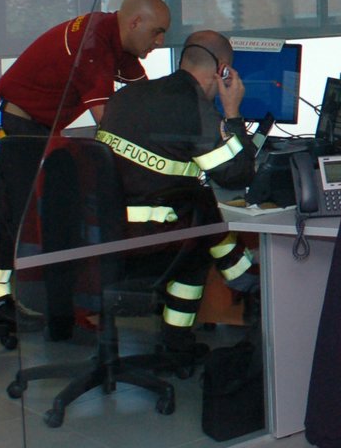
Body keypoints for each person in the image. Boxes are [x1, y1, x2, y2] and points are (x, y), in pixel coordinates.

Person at [0, 0, 171, 328]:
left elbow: (146, 99)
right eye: (157, 32)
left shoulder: (115, 39)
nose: (160, 41)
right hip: (13, 120)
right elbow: (106, 121)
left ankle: (48, 303)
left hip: (40, 125)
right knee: (19, 214)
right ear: (135, 22)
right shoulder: (93, 45)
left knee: (44, 211)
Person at [95, 30, 259, 353]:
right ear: (222, 69)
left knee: (196, 202)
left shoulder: (128, 96)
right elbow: (236, 174)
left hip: (101, 234)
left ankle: (239, 278)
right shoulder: (195, 109)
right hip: (144, 243)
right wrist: (233, 114)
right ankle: (177, 341)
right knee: (199, 232)